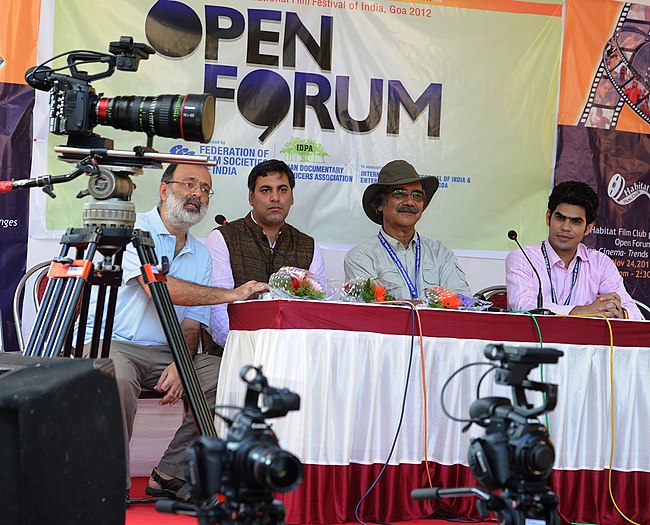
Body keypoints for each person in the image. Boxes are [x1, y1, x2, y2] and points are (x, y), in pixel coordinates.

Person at [83, 163, 267, 503]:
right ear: (165, 189)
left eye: (205, 189)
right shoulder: (132, 229)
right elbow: (161, 290)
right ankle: (109, 483)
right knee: (116, 377)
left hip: (168, 351)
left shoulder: (200, 252)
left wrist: (182, 364)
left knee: (230, 375)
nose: (198, 193)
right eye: (189, 184)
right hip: (113, 344)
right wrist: (231, 294)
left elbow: (191, 324)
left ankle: (169, 474)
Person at [205, 159, 325, 349]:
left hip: (291, 355)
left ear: (292, 197)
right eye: (266, 190)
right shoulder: (224, 238)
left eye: (283, 190)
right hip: (233, 353)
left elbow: (316, 310)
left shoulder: (308, 246)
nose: (275, 197)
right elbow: (217, 310)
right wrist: (248, 350)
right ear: (251, 197)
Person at [506, 180, 643, 319]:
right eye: (560, 218)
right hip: (536, 339)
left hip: (588, 339)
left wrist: (621, 312)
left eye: (576, 221)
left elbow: (634, 312)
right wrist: (585, 311)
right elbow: (524, 307)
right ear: (548, 218)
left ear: (588, 228)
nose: (565, 227)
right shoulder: (523, 258)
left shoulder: (600, 263)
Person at [344, 160, 470, 300]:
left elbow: (461, 302)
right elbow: (372, 310)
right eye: (399, 193)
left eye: (417, 195)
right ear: (380, 203)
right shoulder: (360, 257)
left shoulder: (440, 253)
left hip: (435, 323)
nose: (410, 202)